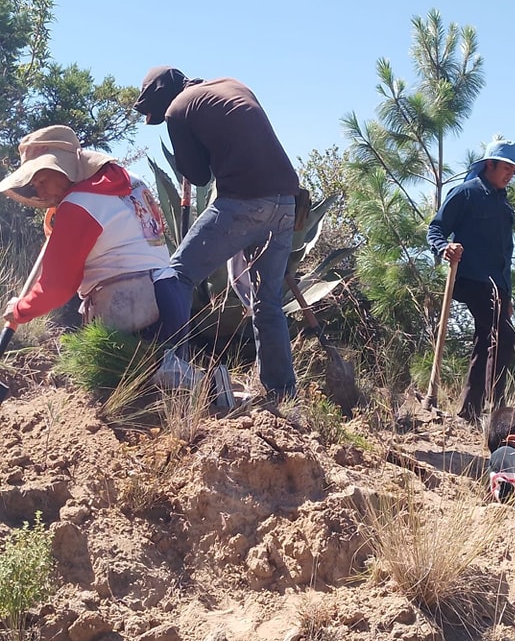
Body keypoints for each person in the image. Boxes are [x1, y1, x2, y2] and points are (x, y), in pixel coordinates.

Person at [134, 66, 299, 401]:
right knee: (268, 303)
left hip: (244, 203)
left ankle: (173, 367)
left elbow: (197, 176)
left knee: (177, 275)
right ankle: (282, 395)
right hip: (286, 203)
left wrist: (184, 145)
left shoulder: (178, 110)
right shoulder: (232, 83)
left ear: (163, 97)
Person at [0, 125, 185, 345]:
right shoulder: (130, 180)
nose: (40, 192)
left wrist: (21, 309)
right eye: (34, 185)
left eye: (42, 181)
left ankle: (212, 381)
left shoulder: (78, 204)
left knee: (144, 378)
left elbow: (58, 286)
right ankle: (214, 380)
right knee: (170, 373)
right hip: (170, 294)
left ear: (64, 168)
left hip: (131, 305)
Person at [426, 139, 515, 421]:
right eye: (506, 168)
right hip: (472, 278)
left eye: (513, 170)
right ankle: (497, 408)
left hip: (497, 285)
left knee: (486, 340)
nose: (510, 174)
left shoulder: (503, 203)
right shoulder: (466, 193)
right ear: (489, 165)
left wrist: (508, 296)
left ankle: (469, 410)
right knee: (504, 336)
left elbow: (505, 255)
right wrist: (444, 248)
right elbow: (436, 229)